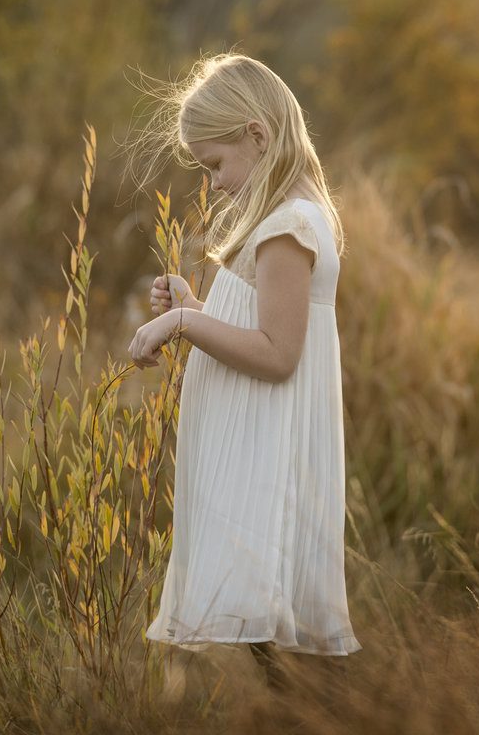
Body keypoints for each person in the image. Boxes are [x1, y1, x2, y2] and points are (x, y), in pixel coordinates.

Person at [128, 55, 361, 689]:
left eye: (216, 165)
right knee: (276, 655)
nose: (217, 184)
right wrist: (198, 307)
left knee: (281, 653)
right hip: (265, 450)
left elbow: (277, 354)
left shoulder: (288, 227)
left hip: (269, 460)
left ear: (258, 136)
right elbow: (265, 331)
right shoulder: (296, 213)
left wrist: (181, 326)